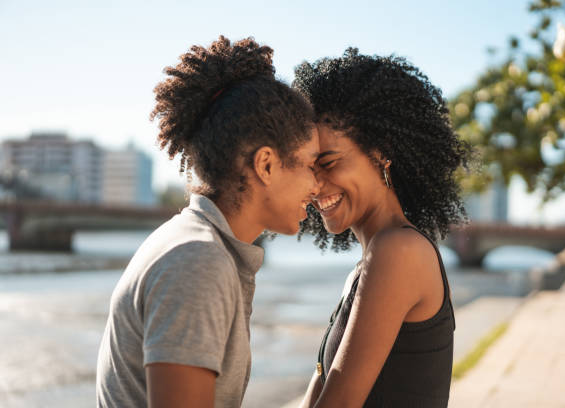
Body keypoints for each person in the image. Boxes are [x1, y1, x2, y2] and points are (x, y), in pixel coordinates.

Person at [96, 36, 320, 408]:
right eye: (311, 165)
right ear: (266, 164)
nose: (317, 185)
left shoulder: (193, 244)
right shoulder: (198, 260)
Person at [293, 48, 472, 407]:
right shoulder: (369, 263)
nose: (314, 184)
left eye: (327, 162)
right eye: (308, 167)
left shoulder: (398, 252)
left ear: (381, 153)